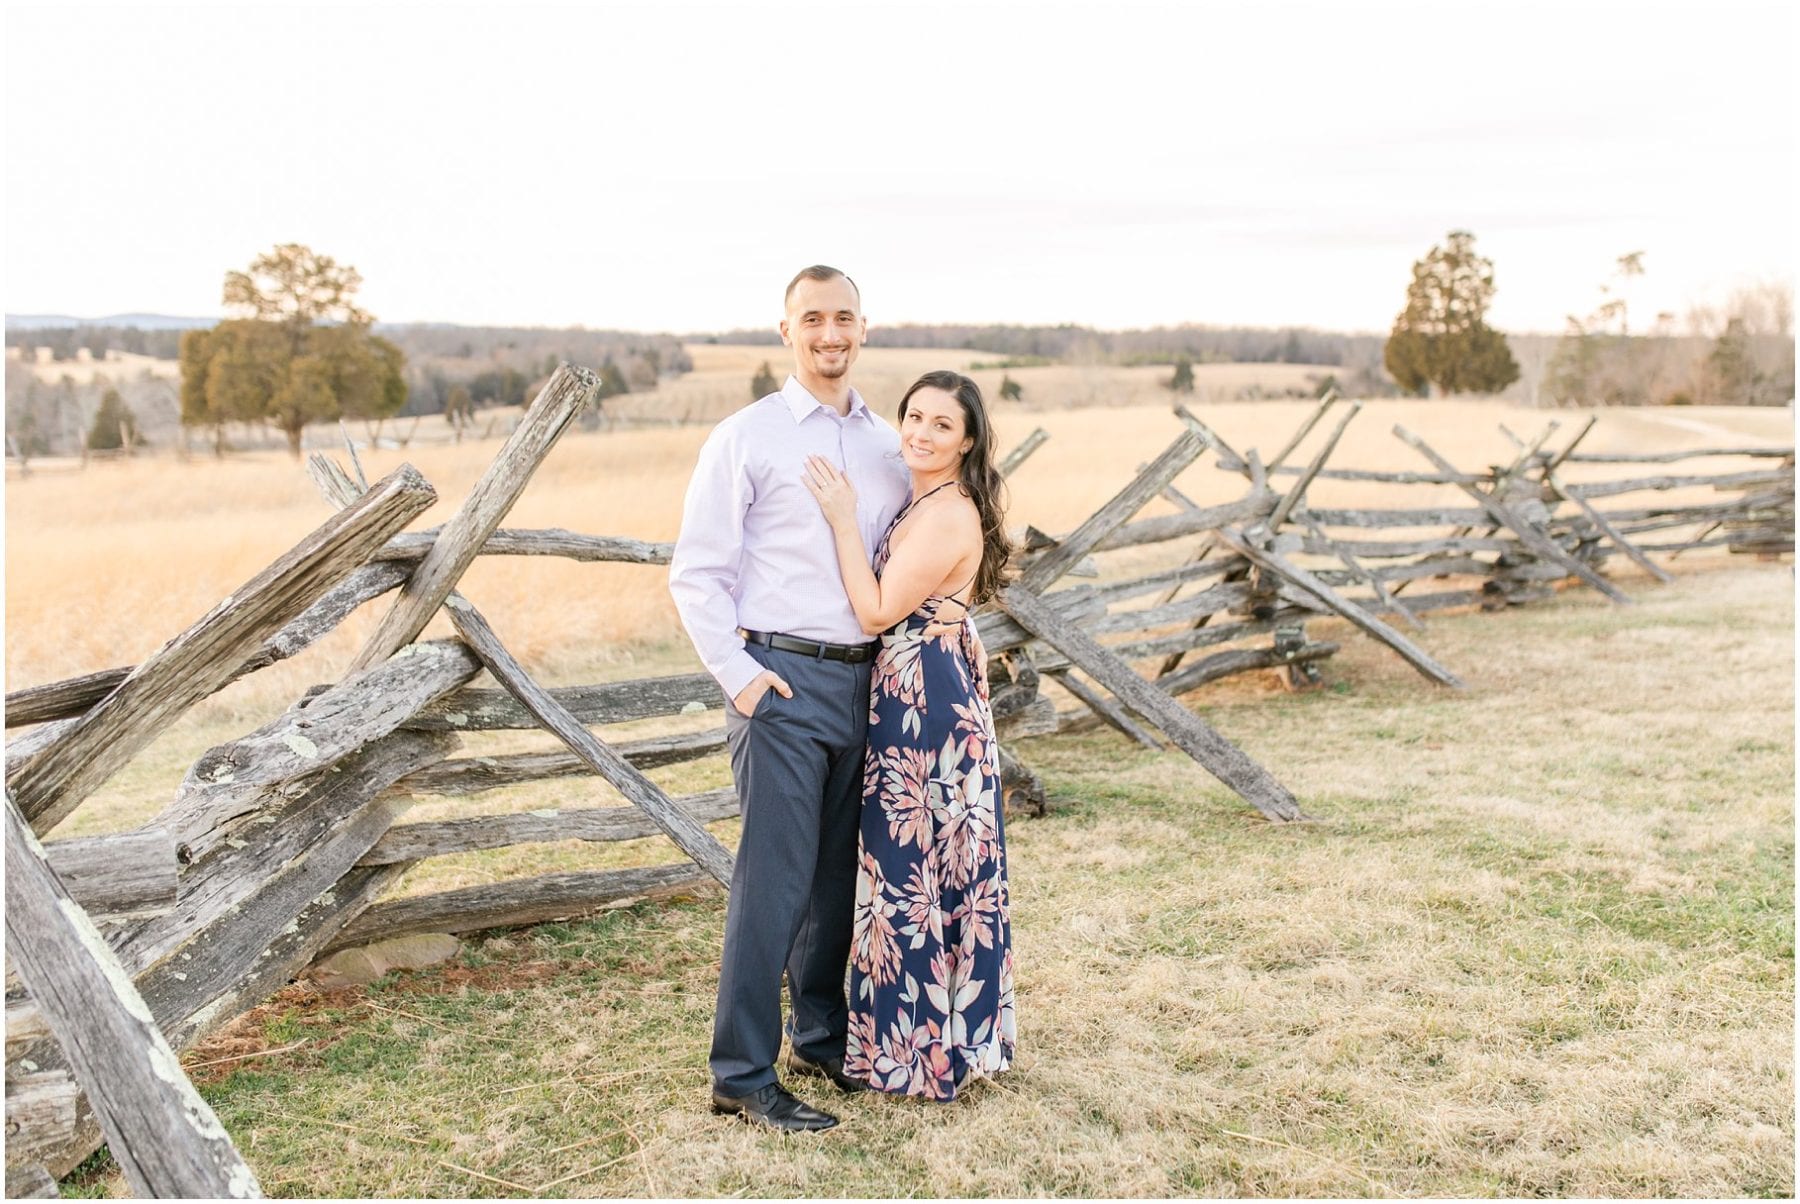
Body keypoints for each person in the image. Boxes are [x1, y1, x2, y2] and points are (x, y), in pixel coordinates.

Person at [669, 265, 911, 1132]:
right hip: (779, 679)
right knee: (772, 883)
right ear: (786, 331)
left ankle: (820, 1035)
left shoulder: (889, 445)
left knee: (836, 879)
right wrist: (740, 678)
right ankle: (739, 1069)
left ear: (864, 328)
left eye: (843, 318)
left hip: (865, 679)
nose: (830, 334)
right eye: (812, 319)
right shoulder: (747, 437)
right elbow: (696, 572)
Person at [800, 369, 1017, 1101]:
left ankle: (924, 1050)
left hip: (924, 706)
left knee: (919, 869)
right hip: (918, 688)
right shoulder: (930, 498)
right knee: (916, 860)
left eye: (941, 425)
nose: (920, 434)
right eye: (913, 417)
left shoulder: (949, 512)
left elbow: (877, 612)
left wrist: (840, 517)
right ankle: (912, 1036)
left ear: (968, 440)